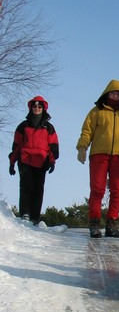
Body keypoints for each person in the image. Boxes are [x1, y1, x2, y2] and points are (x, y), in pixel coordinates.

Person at [76, 79, 119, 239]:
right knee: (97, 190)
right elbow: (86, 131)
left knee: (117, 191)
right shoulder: (96, 111)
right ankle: (95, 223)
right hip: (99, 154)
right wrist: (82, 147)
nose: (115, 95)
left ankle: (112, 223)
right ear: (107, 93)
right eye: (113, 93)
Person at [8, 95, 59, 225]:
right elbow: (16, 146)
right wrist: (12, 163)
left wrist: (52, 161)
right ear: (31, 108)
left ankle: (35, 216)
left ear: (43, 109)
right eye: (34, 106)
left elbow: (53, 147)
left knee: (38, 188)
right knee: (26, 186)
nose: (37, 108)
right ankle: (25, 213)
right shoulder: (23, 126)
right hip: (25, 160)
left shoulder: (49, 128)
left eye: (39, 106)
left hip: (42, 161)